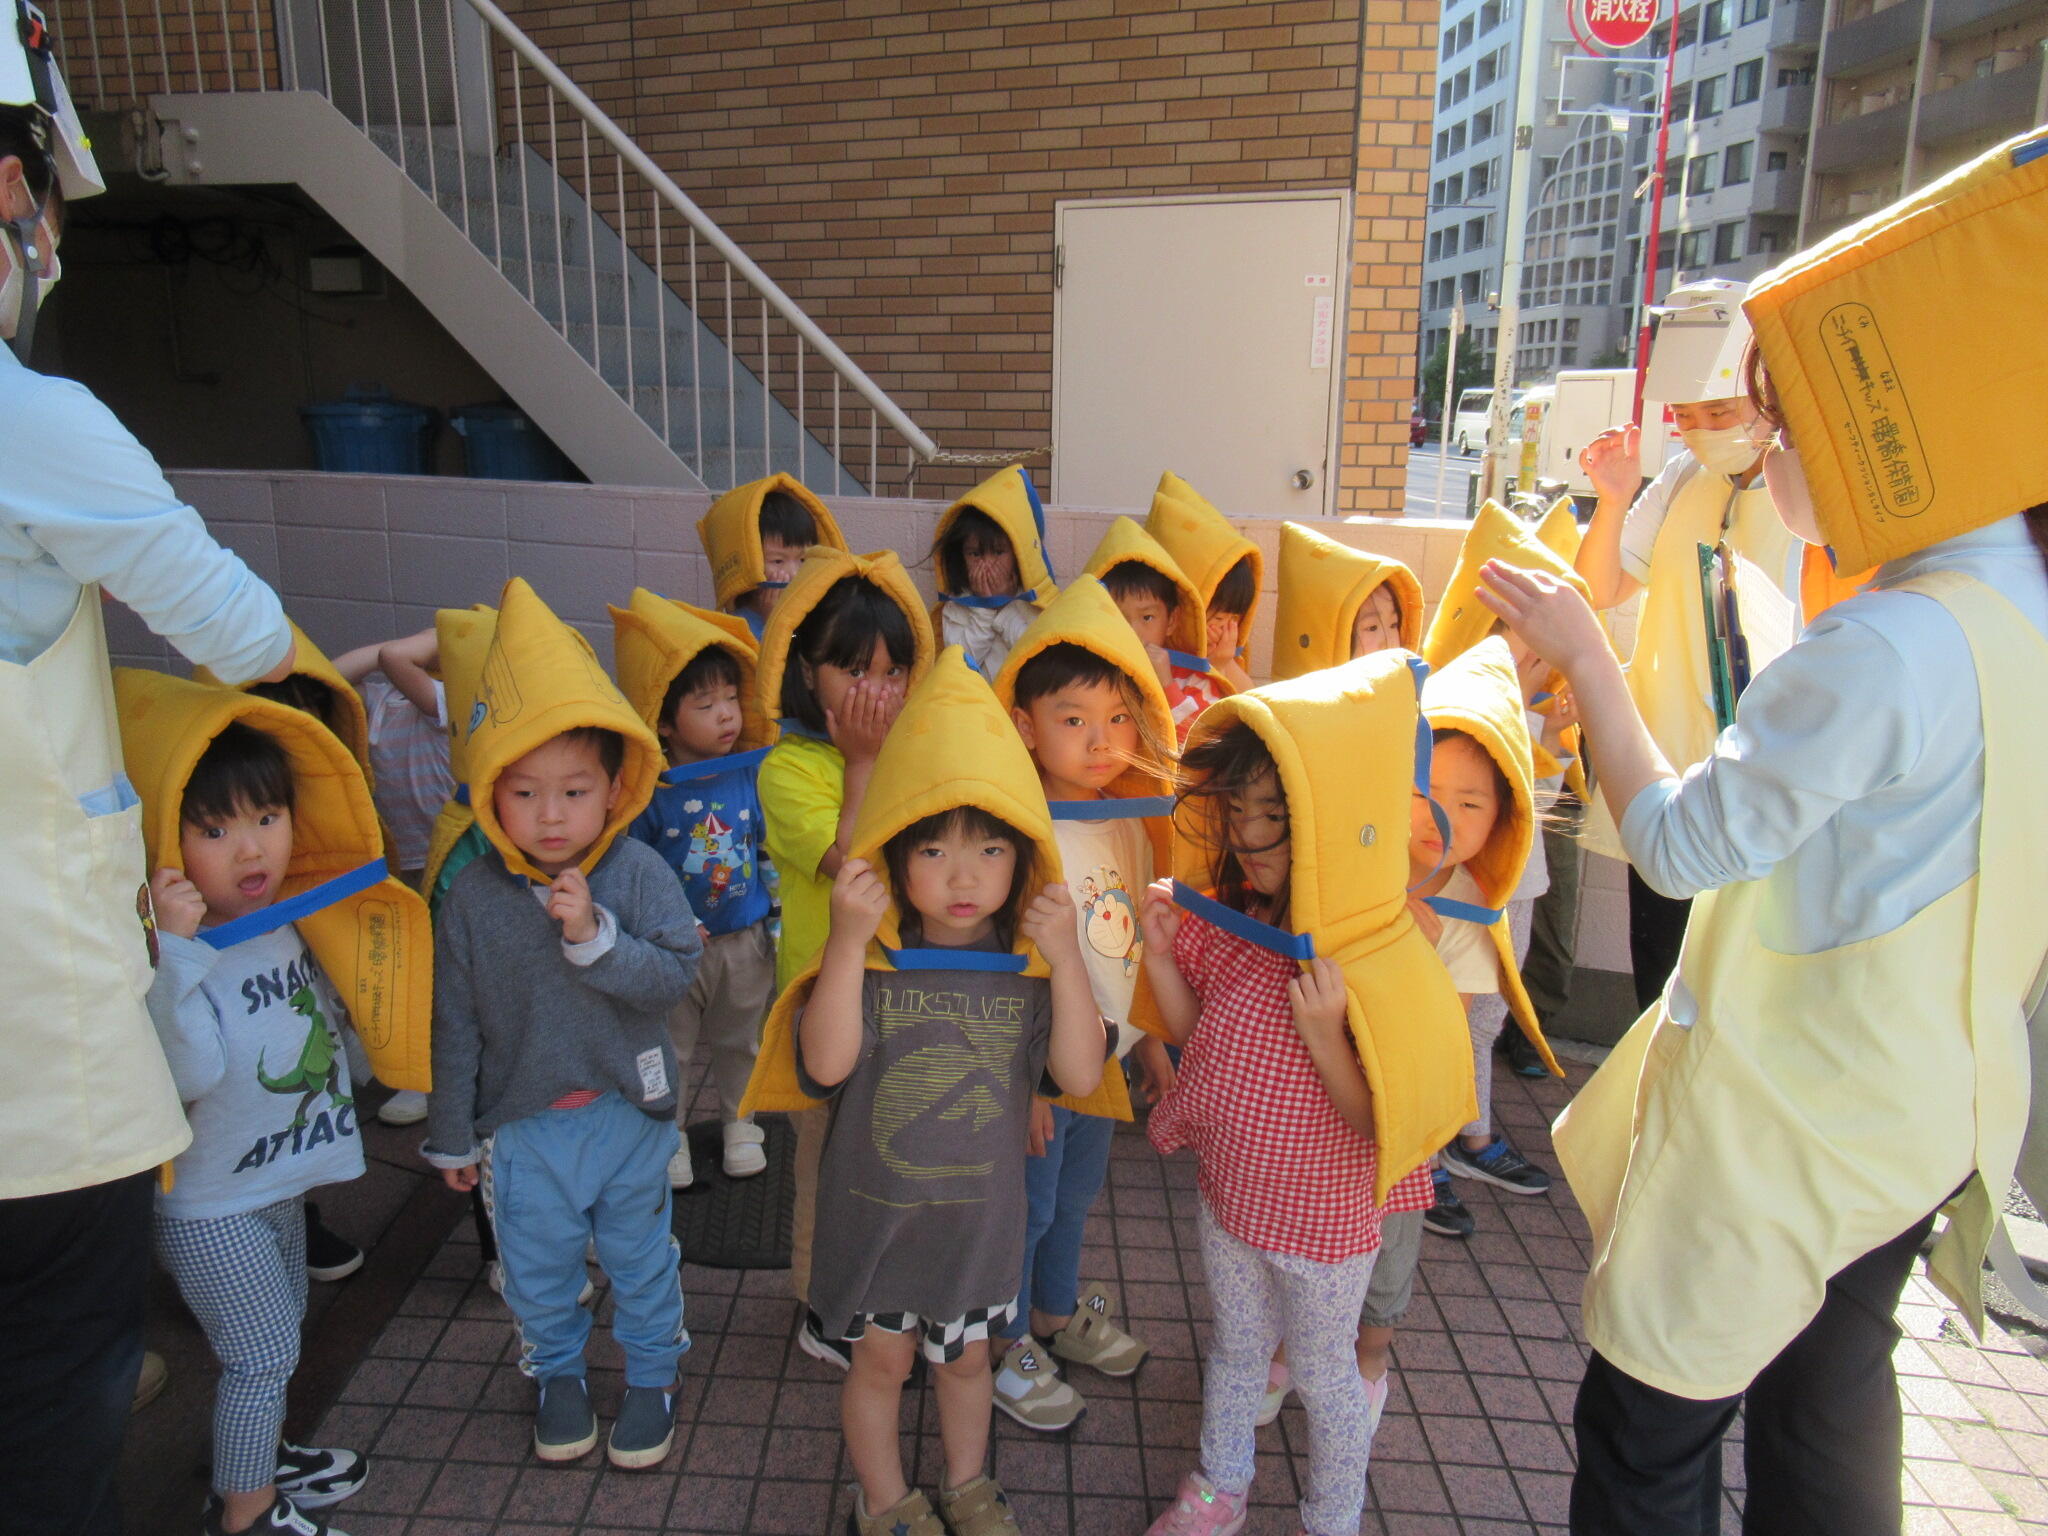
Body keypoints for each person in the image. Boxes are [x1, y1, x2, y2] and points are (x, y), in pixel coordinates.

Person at [1475, 126, 2048, 1534]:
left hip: (1798, 1115)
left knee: (1652, 1433)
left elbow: (1679, 844)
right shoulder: (2014, 606)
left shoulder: (1891, 646)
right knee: (1831, 1404)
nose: (1767, 450)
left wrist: (1585, 657)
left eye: (1778, 423)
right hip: (1932, 1102)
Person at [0, 25, 299, 1533]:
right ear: (10, 191)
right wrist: (334, 682)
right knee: (54, 1398)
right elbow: (239, 630)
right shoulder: (33, 421)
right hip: (32, 1067)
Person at [761, 647, 1105, 1536]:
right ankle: (883, 1499)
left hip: (977, 1230)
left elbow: (1080, 1074)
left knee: (965, 1366)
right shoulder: (872, 959)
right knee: (877, 1366)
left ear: (1021, 854)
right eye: (935, 848)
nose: (963, 877)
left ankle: (968, 1484)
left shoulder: (1028, 971)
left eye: (990, 848)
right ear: (895, 854)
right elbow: (827, 1066)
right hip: (878, 1222)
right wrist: (843, 938)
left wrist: (1068, 959)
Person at [1138, 648, 1473, 1536]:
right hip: (1232, 1199)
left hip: (1325, 1227)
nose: (1248, 836)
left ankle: (1331, 1516)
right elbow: (1186, 1030)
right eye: (1237, 812)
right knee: (1238, 1350)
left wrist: (1327, 1034)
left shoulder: (1380, 951)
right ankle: (1220, 1484)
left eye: (1274, 816)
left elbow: (1382, 1122)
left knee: (1327, 1378)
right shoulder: (1237, 921)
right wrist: (1164, 950)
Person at [423, 579, 701, 1471]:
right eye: (526, 792)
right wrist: (450, 1133)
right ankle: (557, 1371)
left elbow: (672, 977)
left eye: (575, 791)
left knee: (640, 1255)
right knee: (536, 1267)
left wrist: (594, 938)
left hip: (628, 1111)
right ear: (488, 795)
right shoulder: (471, 896)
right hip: (524, 1125)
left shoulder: (640, 873)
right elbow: (456, 1019)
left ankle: (654, 1374)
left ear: (617, 788)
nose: (551, 816)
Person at [140, 714, 371, 1536]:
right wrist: (173, 953)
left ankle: (262, 1456)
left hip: (270, 1181)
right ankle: (246, 1513)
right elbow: (192, 1073)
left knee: (281, 1334)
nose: (251, 851)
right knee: (261, 1355)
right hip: (210, 1205)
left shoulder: (276, 915)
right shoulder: (179, 951)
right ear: (168, 840)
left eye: (267, 819)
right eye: (215, 829)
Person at [986, 576, 1180, 1432]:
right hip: (1042, 1065)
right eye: (1073, 720)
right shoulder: (1024, 832)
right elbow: (1011, 965)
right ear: (1024, 727)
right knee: (1024, 1207)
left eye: (1118, 720)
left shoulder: (1130, 819)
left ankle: (1054, 1318)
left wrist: (1147, 1043)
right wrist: (1028, 1082)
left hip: (1105, 1061)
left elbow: (1129, 943)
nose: (1101, 743)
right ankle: (1001, 1346)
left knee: (1073, 1198)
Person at [1570, 280, 1796, 1011]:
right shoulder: (1679, 479)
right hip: (1665, 771)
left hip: (1766, 782)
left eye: (1721, 412)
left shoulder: (1813, 496)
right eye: (1686, 415)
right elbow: (1599, 588)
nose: (1701, 429)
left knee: (1740, 990)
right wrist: (1611, 497)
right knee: (1659, 978)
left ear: (1770, 393)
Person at [752, 547, 934, 1368]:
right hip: (822, 1000)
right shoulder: (788, 769)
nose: (877, 691)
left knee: (887, 1152)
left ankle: (882, 1285)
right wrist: (862, 763)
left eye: (895, 672)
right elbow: (854, 868)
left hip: (900, 1001)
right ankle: (818, 1306)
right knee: (825, 1160)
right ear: (804, 671)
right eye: (855, 668)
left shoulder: (916, 749)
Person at [613, 588, 778, 1188]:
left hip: (745, 936)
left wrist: (775, 921)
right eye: (706, 704)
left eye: (732, 698)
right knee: (671, 1048)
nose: (727, 714)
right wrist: (662, 927)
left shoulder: (749, 770)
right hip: (675, 948)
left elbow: (766, 847)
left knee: (744, 1042)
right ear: (662, 717)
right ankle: (670, 1133)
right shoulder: (652, 792)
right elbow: (633, 868)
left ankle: (741, 1123)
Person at [1084, 516, 1227, 742]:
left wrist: (1166, 686)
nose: (1132, 631)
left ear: (1171, 621)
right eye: (1118, 617)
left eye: (1147, 617)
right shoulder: (1084, 674)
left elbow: (1201, 745)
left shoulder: (1195, 682)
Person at [930, 463, 1057, 678]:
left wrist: (1005, 610)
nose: (987, 565)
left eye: (998, 553)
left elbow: (1036, 658)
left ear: (1018, 553)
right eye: (975, 554)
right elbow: (959, 664)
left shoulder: (1036, 603)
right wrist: (984, 609)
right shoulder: (956, 607)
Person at [1144, 472, 1259, 692]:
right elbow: (1190, 721)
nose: (1224, 630)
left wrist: (1223, 666)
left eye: (1233, 619)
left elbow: (1251, 701)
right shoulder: (1158, 654)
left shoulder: (1223, 655)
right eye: (1216, 618)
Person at [695, 473, 847, 639]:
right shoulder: (741, 627)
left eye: (803, 560)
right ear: (749, 564)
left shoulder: (814, 609)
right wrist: (773, 621)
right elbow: (788, 659)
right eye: (778, 561)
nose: (794, 573)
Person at [1269, 519, 1423, 681]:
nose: (1388, 642)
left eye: (1394, 625)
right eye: (1372, 628)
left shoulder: (1402, 690)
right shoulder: (1304, 701)